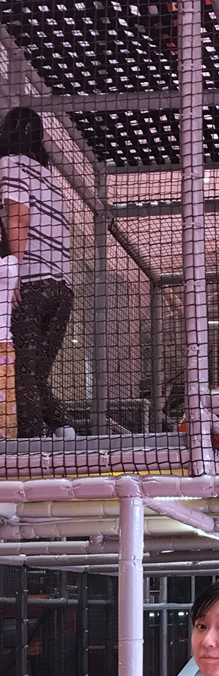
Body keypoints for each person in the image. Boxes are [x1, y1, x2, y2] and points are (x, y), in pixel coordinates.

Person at [0, 107, 74, 438]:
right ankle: (62, 428)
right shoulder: (49, 177)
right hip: (61, 288)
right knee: (36, 372)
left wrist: (12, 272)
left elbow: (19, 217)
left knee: (21, 371)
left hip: (31, 282)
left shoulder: (10, 164)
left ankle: (30, 444)